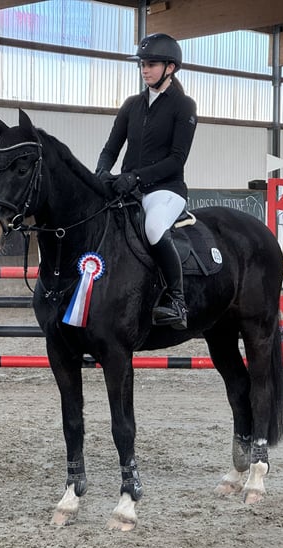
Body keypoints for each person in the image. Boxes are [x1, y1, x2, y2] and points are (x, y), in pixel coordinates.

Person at [95, 33, 198, 330]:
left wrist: (136, 176)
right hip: (128, 188)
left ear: (170, 67)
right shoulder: (131, 105)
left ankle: (176, 300)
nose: (145, 69)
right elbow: (111, 148)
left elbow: (176, 159)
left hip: (165, 189)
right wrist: (102, 171)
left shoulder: (184, 106)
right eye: (142, 64)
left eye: (151, 64)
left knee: (153, 227)